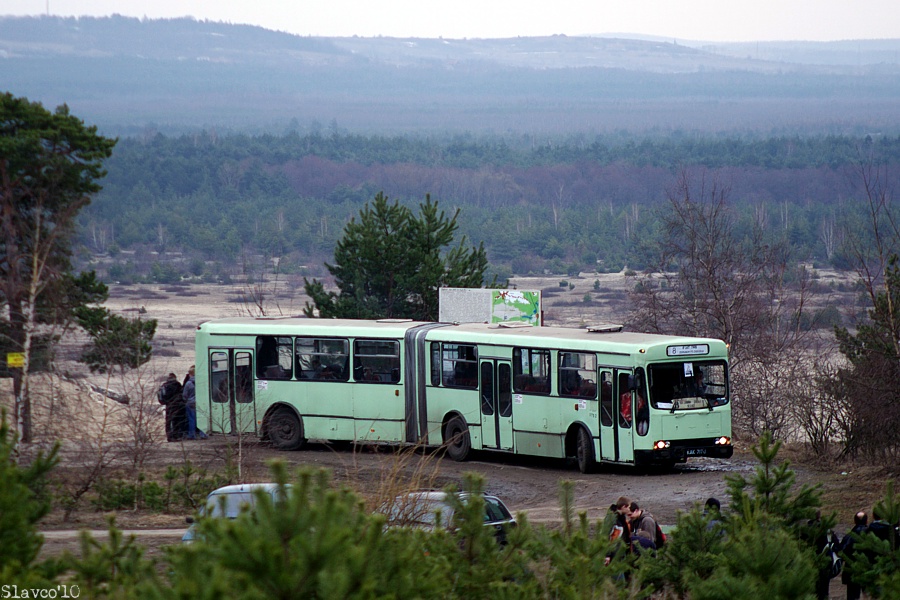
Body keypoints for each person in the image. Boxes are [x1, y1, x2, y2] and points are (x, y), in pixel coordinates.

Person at [839, 511, 867, 600]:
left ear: (855, 521)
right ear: (866, 521)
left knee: (852, 596)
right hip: (868, 569)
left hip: (852, 570)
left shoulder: (849, 537)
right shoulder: (871, 535)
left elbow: (841, 553)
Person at [158, 373, 185, 441]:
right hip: (177, 404)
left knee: (168, 421)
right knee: (176, 420)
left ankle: (169, 436)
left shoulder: (164, 385)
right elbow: (182, 394)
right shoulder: (178, 384)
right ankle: (176, 436)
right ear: (175, 377)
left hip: (168, 405)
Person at [183, 366, 207, 440]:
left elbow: (184, 395)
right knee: (202, 419)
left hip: (191, 403)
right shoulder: (202, 382)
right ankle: (203, 434)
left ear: (190, 374)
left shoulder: (188, 383)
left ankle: (192, 435)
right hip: (201, 403)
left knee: (191, 419)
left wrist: (186, 400)